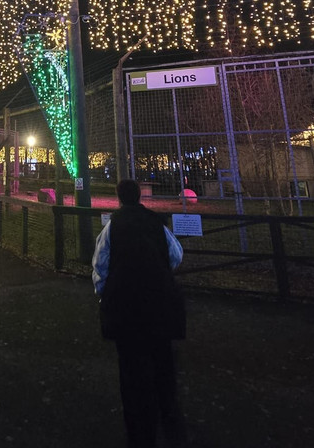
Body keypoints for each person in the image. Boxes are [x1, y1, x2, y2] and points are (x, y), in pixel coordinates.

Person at [92, 178, 186, 448]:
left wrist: (104, 293)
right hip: (159, 302)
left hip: (126, 306)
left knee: (131, 367)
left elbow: (100, 264)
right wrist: (157, 272)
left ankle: (138, 428)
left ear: (119, 198)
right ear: (139, 195)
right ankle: (167, 411)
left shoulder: (113, 226)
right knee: (162, 359)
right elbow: (176, 254)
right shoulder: (156, 223)